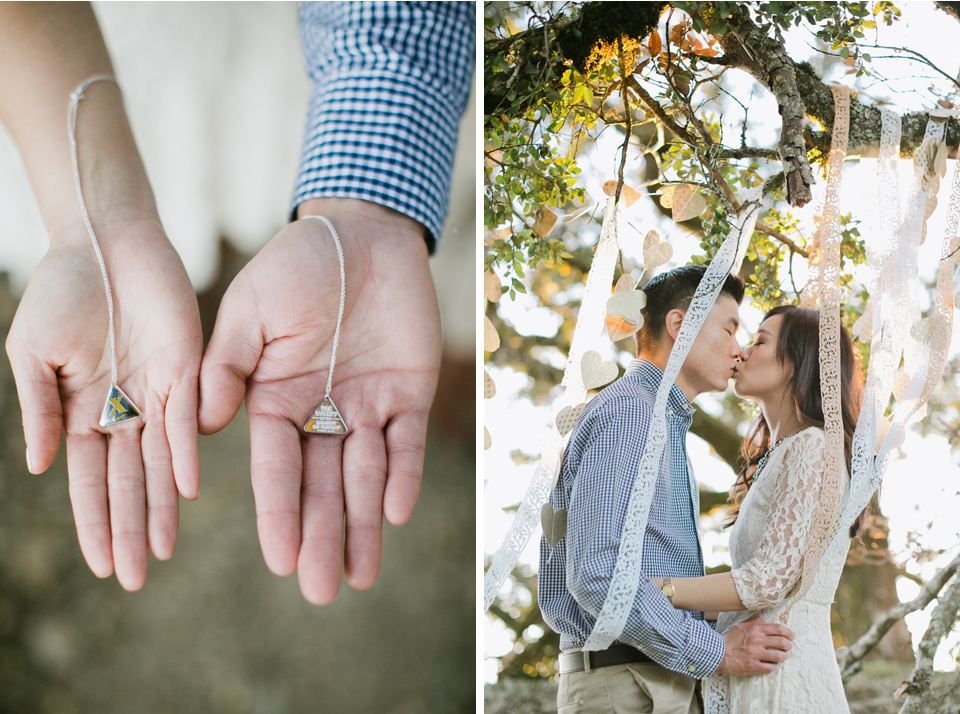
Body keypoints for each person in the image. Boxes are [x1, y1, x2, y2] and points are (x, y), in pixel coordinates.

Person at [0, 1, 474, 603]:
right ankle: (187, 287)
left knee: (260, 162)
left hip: (300, 54)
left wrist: (363, 201)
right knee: (188, 209)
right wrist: (90, 215)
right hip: (59, 69)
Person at [539, 266, 795, 714]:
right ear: (679, 325)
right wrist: (717, 652)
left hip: (647, 678)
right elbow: (597, 575)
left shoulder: (659, 422)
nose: (739, 350)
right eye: (730, 329)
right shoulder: (631, 415)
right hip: (627, 686)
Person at [649, 305, 862, 712]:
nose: (741, 351)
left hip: (783, 675)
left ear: (798, 361)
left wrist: (660, 589)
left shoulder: (814, 446)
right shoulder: (781, 453)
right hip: (758, 665)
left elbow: (767, 581)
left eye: (760, 341)